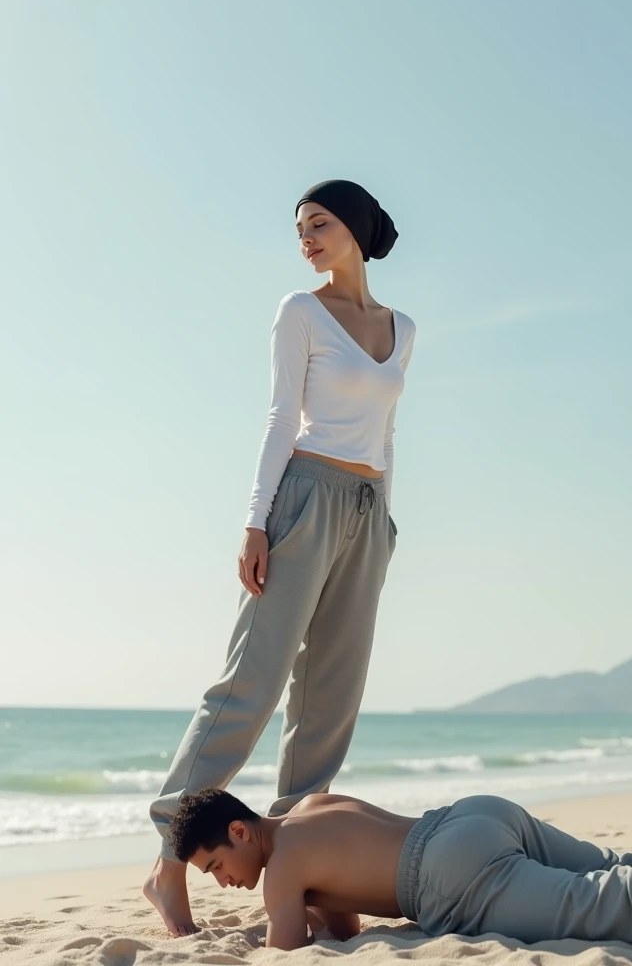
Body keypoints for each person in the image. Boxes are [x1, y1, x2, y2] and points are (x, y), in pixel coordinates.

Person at [143, 180, 416, 935]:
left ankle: (307, 859)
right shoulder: (299, 311)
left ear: (356, 230)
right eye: (300, 228)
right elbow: (279, 417)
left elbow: (386, 435)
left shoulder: (403, 328)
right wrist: (254, 522)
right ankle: (168, 864)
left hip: (366, 510)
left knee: (331, 696)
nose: (306, 238)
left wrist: (384, 523)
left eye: (320, 224)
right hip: (301, 498)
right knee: (251, 683)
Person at [168, 787, 632, 950]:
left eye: (216, 866)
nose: (223, 881)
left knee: (601, 902)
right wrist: (313, 900)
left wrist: (279, 917)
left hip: (448, 874)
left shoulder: (281, 868)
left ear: (240, 831)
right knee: (611, 864)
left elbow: (286, 951)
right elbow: (346, 921)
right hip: (471, 816)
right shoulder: (310, 805)